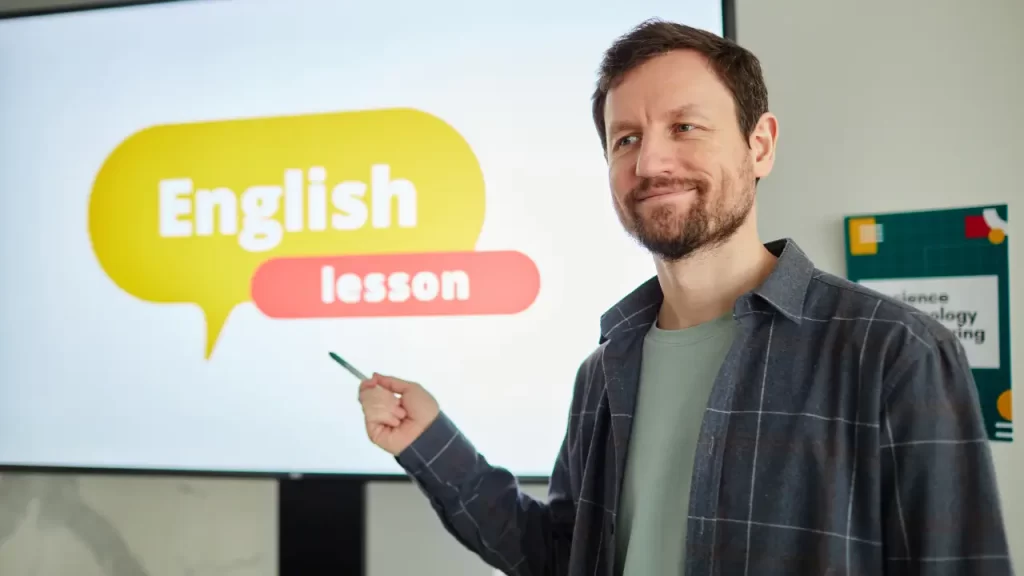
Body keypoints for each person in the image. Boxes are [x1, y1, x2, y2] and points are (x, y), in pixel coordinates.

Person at [357, 18, 1013, 576]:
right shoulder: (603, 373)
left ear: (760, 145)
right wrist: (430, 441)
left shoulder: (895, 353)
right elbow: (560, 557)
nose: (650, 164)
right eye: (626, 139)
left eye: (685, 127)